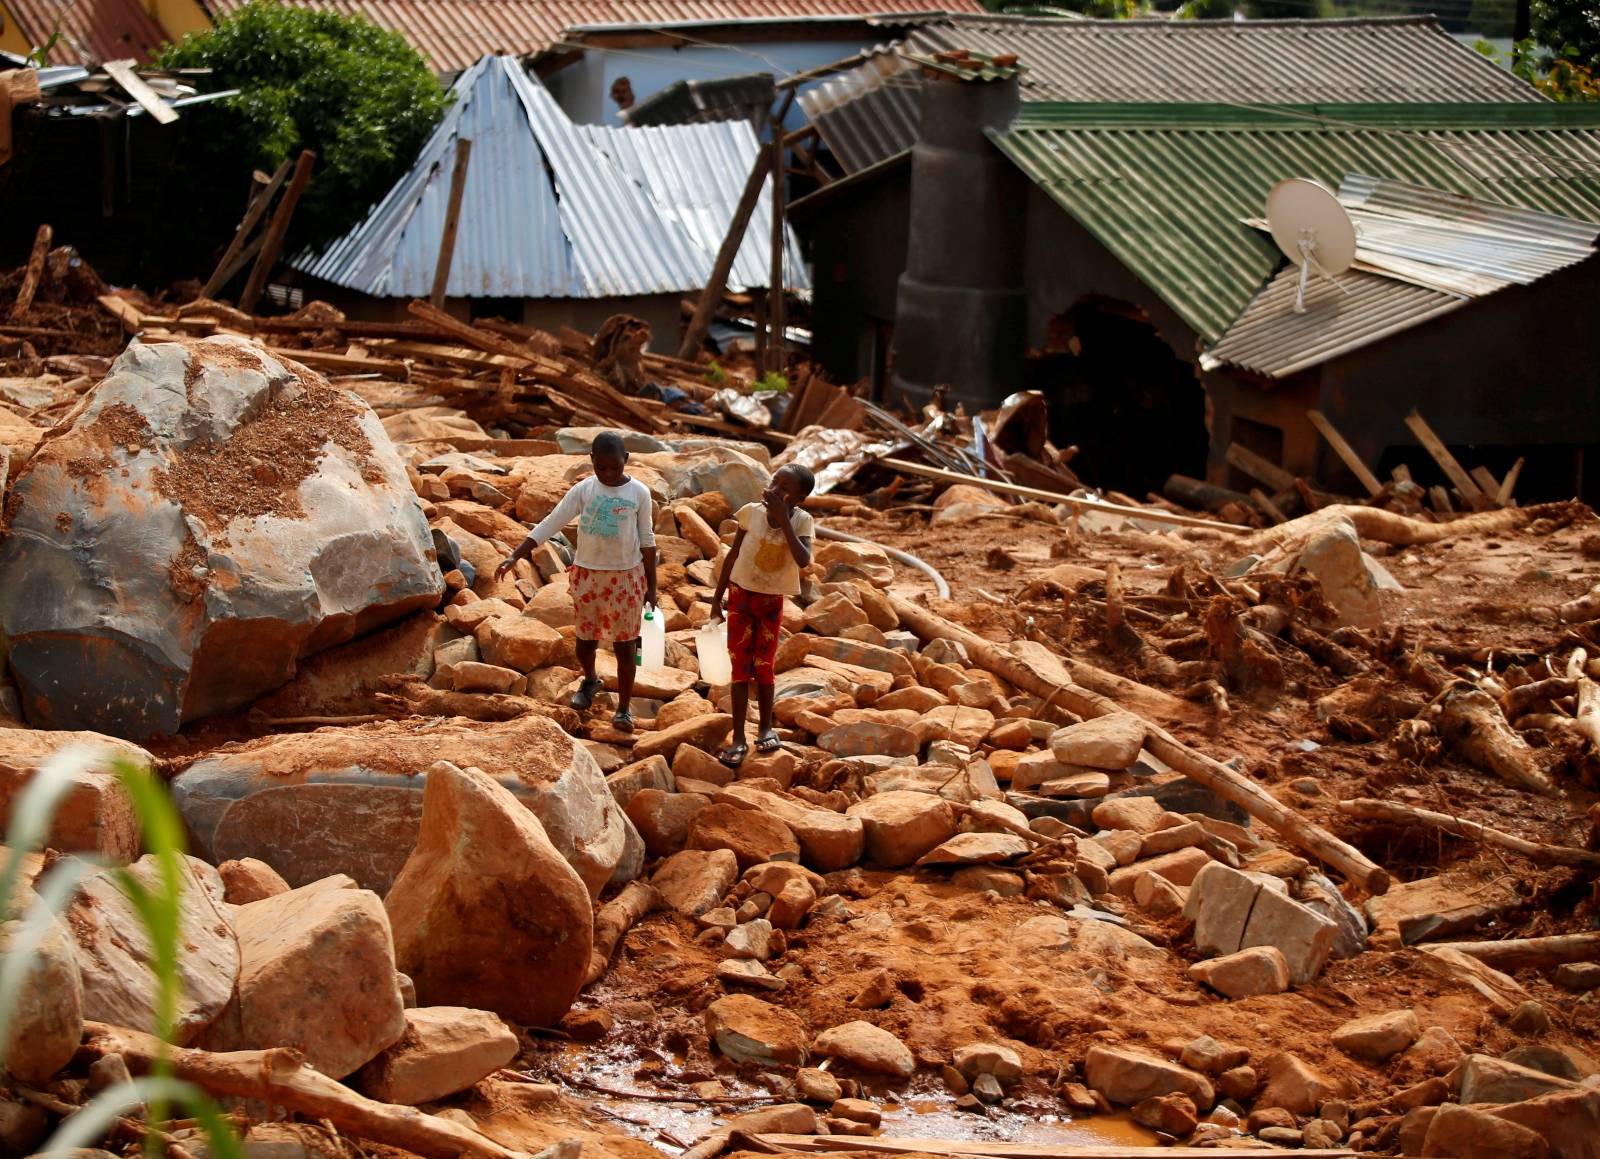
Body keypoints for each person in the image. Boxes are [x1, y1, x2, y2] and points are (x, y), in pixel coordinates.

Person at [495, 432, 657, 731]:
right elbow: (552, 521)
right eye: (602, 467)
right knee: (585, 643)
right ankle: (591, 679)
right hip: (588, 575)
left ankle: (623, 709)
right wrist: (515, 555)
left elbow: (647, 540)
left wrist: (652, 586)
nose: (608, 474)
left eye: (615, 468)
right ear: (592, 461)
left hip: (626, 577)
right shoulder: (584, 490)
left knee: (625, 647)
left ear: (626, 460)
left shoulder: (639, 493)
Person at [710, 463, 816, 766]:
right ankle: (740, 737)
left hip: (770, 603)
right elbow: (733, 555)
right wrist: (717, 599)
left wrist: (784, 521)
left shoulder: (801, 521)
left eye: (785, 489)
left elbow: (804, 559)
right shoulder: (751, 512)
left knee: (764, 666)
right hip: (740, 597)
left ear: (799, 499)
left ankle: (766, 727)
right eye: (774, 483)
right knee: (740, 668)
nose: (775, 490)